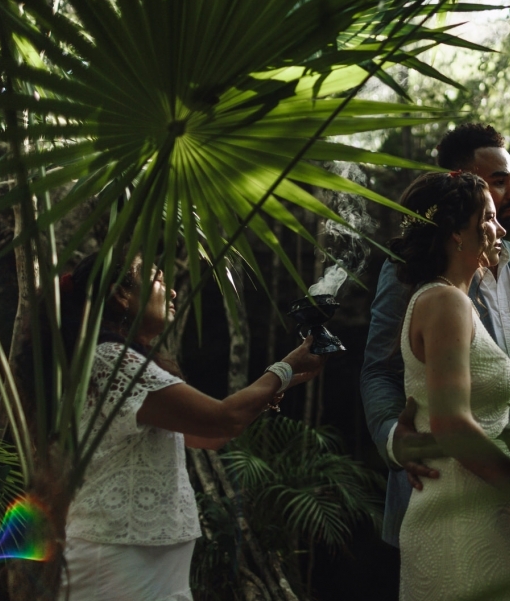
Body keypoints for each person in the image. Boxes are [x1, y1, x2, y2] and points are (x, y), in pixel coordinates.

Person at [361, 123, 510, 600]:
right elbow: (379, 370)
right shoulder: (414, 276)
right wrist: (397, 440)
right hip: (461, 485)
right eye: (498, 182)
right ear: (460, 186)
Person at [56, 251, 325, 601]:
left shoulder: (122, 360)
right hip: (117, 557)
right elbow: (223, 418)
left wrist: (281, 381)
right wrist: (286, 367)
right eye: (159, 280)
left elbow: (211, 435)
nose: (172, 293)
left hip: (141, 558)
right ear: (121, 294)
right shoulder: (112, 360)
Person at [390, 170, 510, 601]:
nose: (500, 227)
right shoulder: (446, 302)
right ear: (455, 234)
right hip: (458, 519)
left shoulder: (441, 298)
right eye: (487, 217)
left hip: (473, 509)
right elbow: (451, 424)